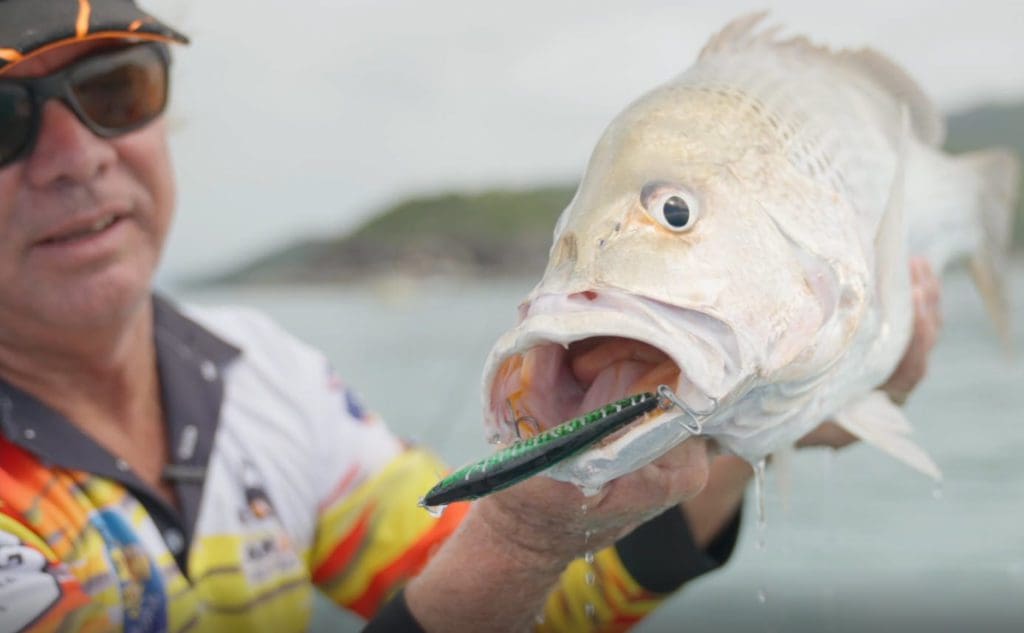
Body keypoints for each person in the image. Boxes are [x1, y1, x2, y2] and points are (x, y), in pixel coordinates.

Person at [0, 3, 943, 632]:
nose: (79, 156)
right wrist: (520, 536)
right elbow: (503, 561)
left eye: (114, 87)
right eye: (5, 116)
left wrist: (769, 406)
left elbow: (538, 601)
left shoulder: (257, 376)